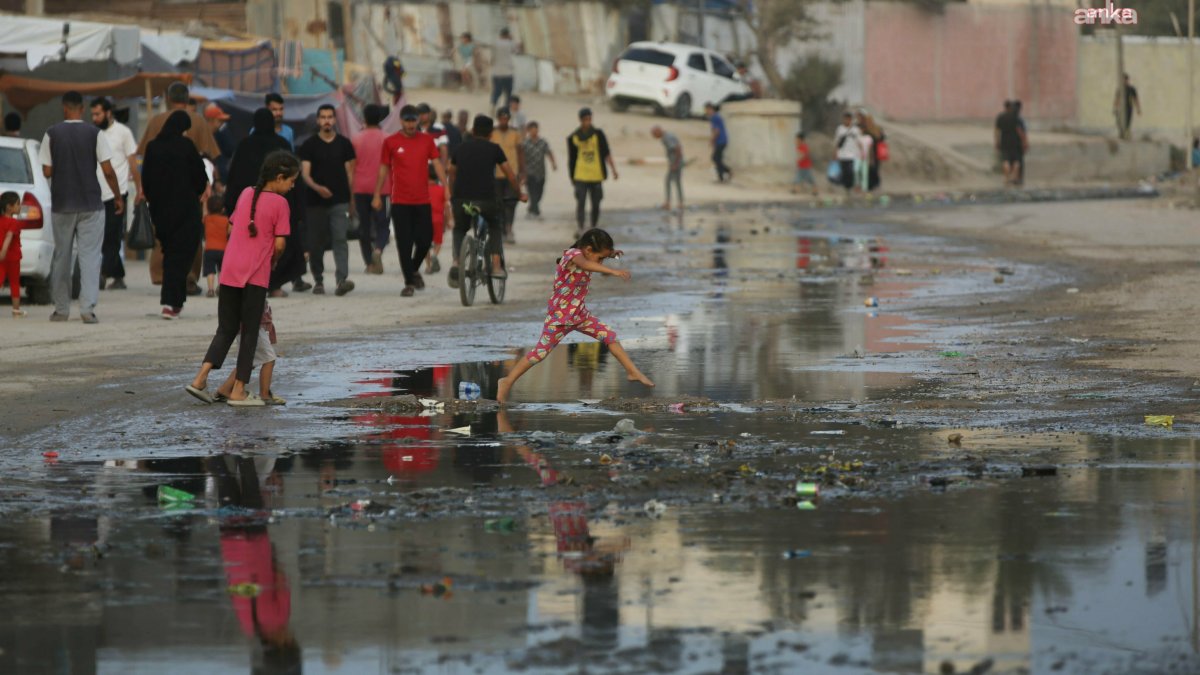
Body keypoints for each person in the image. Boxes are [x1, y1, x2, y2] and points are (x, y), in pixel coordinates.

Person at [186, 151, 298, 406]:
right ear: (279, 178)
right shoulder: (281, 204)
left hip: (229, 271)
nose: (292, 187)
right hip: (255, 276)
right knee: (249, 333)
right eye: (291, 181)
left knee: (225, 329)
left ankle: (200, 379)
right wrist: (272, 258)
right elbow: (280, 244)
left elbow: (231, 227)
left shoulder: (247, 193)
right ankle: (238, 390)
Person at [496, 228, 654, 404]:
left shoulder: (586, 254)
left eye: (603, 258)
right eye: (599, 257)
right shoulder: (573, 255)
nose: (600, 262)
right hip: (560, 317)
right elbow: (586, 264)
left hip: (579, 315)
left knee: (610, 336)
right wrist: (613, 271)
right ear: (587, 250)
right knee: (539, 353)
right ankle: (507, 381)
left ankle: (633, 372)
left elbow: (592, 260)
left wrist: (611, 254)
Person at [41, 90, 123, 324]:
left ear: (64, 108)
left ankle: (61, 309)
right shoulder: (95, 133)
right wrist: (117, 197)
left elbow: (46, 171)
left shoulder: (52, 133)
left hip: (62, 203)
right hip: (91, 204)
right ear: (83, 108)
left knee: (62, 256)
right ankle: (87, 309)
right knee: (90, 257)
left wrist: (63, 164)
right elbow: (107, 170)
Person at [224, 109, 306, 298]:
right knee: (278, 242)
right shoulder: (281, 144)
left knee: (252, 245)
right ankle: (274, 285)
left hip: (249, 206)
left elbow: (234, 178)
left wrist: (231, 205)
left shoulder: (245, 145)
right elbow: (295, 180)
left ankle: (248, 282)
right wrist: (299, 210)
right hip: (279, 206)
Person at [373, 104, 447, 297]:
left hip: (423, 200)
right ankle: (408, 282)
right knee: (404, 243)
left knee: (425, 239)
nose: (411, 124)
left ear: (418, 120)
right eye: (407, 120)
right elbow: (383, 169)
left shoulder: (427, 141)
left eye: (413, 120)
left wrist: (446, 186)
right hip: (400, 201)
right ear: (401, 121)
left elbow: (437, 163)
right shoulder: (390, 142)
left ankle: (413, 269)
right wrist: (377, 194)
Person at [143, 111, 209, 320]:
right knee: (181, 256)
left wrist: (155, 202)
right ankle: (171, 303)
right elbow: (200, 177)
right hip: (185, 211)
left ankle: (175, 302)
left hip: (161, 212)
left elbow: (147, 180)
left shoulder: (152, 147)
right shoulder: (186, 147)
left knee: (171, 254)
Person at [448, 114, 525, 286]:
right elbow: (510, 174)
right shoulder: (494, 149)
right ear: (491, 133)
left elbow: (451, 173)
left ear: (473, 131)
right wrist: (520, 193)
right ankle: (496, 266)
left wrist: (453, 195)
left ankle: (457, 262)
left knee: (460, 228)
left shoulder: (460, 148)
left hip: (462, 201)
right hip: (486, 201)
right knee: (495, 225)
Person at [299, 104, 356, 297]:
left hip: (339, 201)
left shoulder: (345, 144)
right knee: (316, 243)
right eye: (323, 117)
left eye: (330, 117)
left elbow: (351, 173)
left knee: (340, 239)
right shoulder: (309, 146)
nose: (326, 121)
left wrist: (352, 200)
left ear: (335, 120)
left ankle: (342, 280)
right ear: (317, 120)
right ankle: (318, 280)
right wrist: (317, 188)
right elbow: (305, 174)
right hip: (315, 202)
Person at [90, 96, 141, 292]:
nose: (94, 118)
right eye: (92, 114)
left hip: (117, 192)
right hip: (96, 193)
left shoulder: (123, 133)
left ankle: (103, 274)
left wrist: (139, 189)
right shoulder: (93, 133)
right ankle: (118, 276)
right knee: (101, 236)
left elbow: (132, 162)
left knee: (110, 235)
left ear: (108, 113)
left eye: (98, 114)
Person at [214, 301, 284, 405]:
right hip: (253, 328)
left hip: (242, 327)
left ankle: (225, 389)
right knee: (269, 360)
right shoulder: (252, 289)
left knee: (248, 362)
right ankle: (265, 395)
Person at [137, 82, 221, 161]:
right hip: (190, 172)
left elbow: (145, 153)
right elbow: (210, 154)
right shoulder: (199, 121)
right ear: (187, 98)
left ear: (169, 98)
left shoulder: (156, 121)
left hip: (162, 172)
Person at [351, 103, 390, 275]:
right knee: (383, 225)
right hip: (383, 189)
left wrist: (350, 192)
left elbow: (351, 167)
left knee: (364, 227)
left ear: (364, 119)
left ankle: (369, 263)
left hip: (360, 188)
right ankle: (378, 250)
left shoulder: (356, 139)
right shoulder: (387, 139)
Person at [567, 108, 617, 233]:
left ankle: (594, 225)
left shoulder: (598, 134)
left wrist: (613, 169)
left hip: (596, 175)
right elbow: (571, 159)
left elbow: (606, 153)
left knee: (596, 203)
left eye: (589, 119)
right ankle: (581, 227)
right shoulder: (574, 137)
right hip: (580, 174)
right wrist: (572, 177)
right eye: (585, 120)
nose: (587, 122)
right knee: (581, 202)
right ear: (580, 120)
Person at [490, 107, 523, 243]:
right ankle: (501, 230)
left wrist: (522, 171)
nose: (504, 121)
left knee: (511, 202)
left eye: (506, 118)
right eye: (502, 118)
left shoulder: (515, 133)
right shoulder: (492, 133)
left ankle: (509, 229)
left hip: (512, 174)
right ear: (498, 119)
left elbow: (520, 152)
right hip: (496, 174)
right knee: (498, 204)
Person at [522, 121, 556, 218]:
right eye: (532, 130)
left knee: (540, 192)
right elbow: (521, 157)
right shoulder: (525, 143)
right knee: (532, 192)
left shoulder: (543, 142)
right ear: (529, 131)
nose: (534, 132)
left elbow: (549, 152)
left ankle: (532, 208)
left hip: (541, 172)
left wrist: (553, 163)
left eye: (535, 129)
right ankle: (535, 211)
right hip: (529, 172)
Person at [0, 192, 25, 317]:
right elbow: (9, 236)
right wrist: (4, 251)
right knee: (14, 282)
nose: (20, 207)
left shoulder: (1, 221)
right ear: (9, 207)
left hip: (1, 257)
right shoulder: (13, 222)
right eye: (18, 204)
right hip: (12, 257)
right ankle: (16, 310)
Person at [994, 100, 1025, 187]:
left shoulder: (1000, 117)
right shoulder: (1015, 117)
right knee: (1016, 161)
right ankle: (1014, 178)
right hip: (1015, 143)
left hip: (1004, 142)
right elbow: (1020, 131)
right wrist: (1024, 142)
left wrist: (997, 141)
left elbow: (997, 131)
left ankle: (1007, 178)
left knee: (1005, 161)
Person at [651, 125, 683, 211]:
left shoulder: (667, 137)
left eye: (654, 134)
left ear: (658, 131)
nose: (654, 137)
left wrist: (675, 164)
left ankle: (670, 203)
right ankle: (679, 203)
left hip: (676, 162)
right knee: (676, 181)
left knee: (669, 181)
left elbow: (678, 148)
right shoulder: (665, 137)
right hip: (675, 161)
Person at [203, 194, 229, 298]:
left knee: (210, 270)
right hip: (223, 249)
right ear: (223, 209)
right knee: (222, 270)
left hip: (209, 249)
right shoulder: (226, 220)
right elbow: (230, 231)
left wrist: (205, 201)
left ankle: (210, 289)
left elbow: (204, 213)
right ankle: (221, 287)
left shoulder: (207, 219)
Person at [206, 103, 235, 189]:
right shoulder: (206, 136)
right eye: (219, 121)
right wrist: (217, 180)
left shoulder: (218, 134)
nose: (221, 124)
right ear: (211, 120)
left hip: (219, 179)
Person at [425, 166, 448, 275]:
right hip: (438, 219)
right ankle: (434, 255)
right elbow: (447, 206)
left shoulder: (422, 189)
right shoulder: (441, 189)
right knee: (438, 242)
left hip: (425, 219)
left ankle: (428, 266)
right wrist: (449, 220)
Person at [834, 112, 860, 193]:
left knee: (851, 171)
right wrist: (835, 153)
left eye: (848, 119)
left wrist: (860, 153)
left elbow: (859, 142)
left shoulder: (855, 130)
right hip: (842, 154)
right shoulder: (839, 129)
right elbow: (836, 142)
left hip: (853, 155)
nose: (847, 121)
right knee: (844, 171)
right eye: (845, 119)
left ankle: (849, 187)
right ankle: (846, 188)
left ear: (851, 120)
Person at [490, 28, 517, 109]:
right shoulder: (510, 43)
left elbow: (492, 59)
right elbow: (515, 51)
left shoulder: (495, 43)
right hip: (508, 72)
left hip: (496, 72)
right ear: (508, 35)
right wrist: (511, 39)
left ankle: (493, 105)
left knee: (496, 91)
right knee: (508, 92)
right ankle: (506, 108)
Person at [706, 103, 731, 183]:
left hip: (721, 140)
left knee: (715, 158)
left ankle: (726, 172)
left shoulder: (714, 118)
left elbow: (716, 131)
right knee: (717, 159)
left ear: (710, 109)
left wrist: (712, 140)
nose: (706, 112)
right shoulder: (716, 117)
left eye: (707, 110)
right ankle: (722, 176)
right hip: (722, 141)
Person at [1114, 73, 1141, 140]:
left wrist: (1138, 109)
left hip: (1128, 108)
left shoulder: (1131, 89)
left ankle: (1126, 135)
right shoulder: (1120, 89)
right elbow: (1117, 99)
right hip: (1121, 108)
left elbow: (1135, 99)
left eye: (1125, 80)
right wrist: (1115, 108)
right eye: (1122, 80)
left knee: (1127, 123)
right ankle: (1121, 133)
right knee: (1119, 122)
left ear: (1127, 80)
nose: (1124, 81)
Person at [792, 132, 817, 196]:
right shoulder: (799, 147)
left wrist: (799, 159)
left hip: (805, 166)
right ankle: (795, 190)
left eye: (797, 140)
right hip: (801, 166)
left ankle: (815, 190)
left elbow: (804, 155)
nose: (796, 141)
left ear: (801, 140)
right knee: (798, 178)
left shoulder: (804, 147)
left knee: (809, 179)